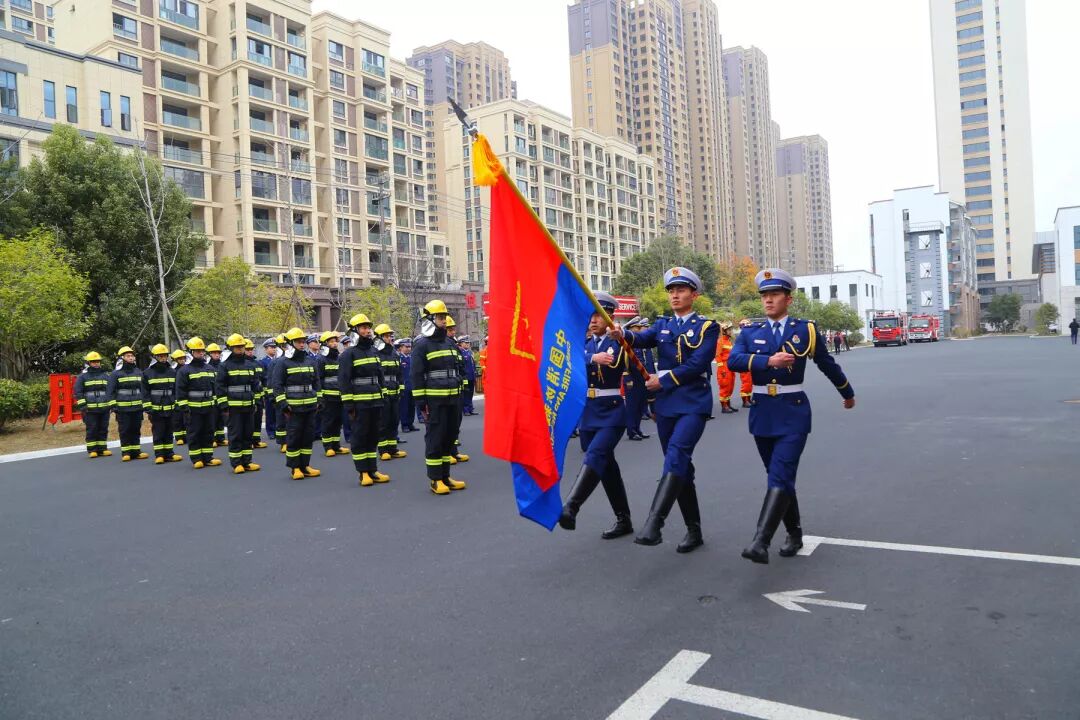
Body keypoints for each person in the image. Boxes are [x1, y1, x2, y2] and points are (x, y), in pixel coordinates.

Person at [729, 269, 856, 564]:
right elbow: (734, 361)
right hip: (762, 412)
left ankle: (760, 541)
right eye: (764, 295)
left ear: (788, 299)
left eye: (774, 295)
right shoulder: (750, 332)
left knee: (780, 472)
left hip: (793, 411)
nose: (768, 300)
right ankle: (794, 533)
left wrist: (846, 392)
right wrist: (768, 361)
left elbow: (826, 363)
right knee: (779, 476)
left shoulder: (805, 330)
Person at [610, 267, 719, 553]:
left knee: (677, 455)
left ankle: (654, 523)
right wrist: (621, 333)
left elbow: (698, 364)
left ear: (694, 295)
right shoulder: (663, 325)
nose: (674, 295)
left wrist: (664, 380)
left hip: (693, 401)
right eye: (671, 291)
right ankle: (694, 530)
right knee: (680, 466)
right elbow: (640, 338)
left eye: (681, 290)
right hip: (667, 404)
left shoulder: (707, 327)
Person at [558, 291, 634, 539]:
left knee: (596, 455)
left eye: (598, 315)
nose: (592, 320)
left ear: (609, 316)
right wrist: (591, 357)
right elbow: (568, 360)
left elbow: (613, 362)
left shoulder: (618, 342)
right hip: (589, 413)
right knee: (607, 468)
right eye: (590, 316)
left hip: (612, 411)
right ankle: (624, 519)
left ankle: (571, 506)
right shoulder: (587, 345)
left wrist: (591, 358)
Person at [412, 300, 467, 495]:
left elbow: (457, 369)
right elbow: (416, 376)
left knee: (449, 437)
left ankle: (445, 476)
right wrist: (421, 403)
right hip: (434, 402)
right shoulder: (421, 346)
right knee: (435, 439)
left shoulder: (449, 344)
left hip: (453, 399)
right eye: (440, 317)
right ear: (429, 320)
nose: (444, 321)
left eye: (444, 317)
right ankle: (435, 479)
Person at [338, 314, 388, 486]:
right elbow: (344, 381)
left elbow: (380, 376)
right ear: (355, 331)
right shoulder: (348, 354)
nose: (368, 331)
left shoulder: (373, 351)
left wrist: (383, 396)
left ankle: (372, 470)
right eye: (364, 328)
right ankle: (363, 472)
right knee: (360, 437)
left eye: (368, 328)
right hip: (360, 404)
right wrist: (349, 405)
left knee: (373, 436)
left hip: (375, 402)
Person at [271, 328, 321, 480]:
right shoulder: (282, 362)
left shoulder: (310, 361)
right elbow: (277, 385)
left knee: (307, 437)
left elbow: (316, 382)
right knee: (294, 437)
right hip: (293, 408)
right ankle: (295, 468)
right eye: (298, 342)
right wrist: (283, 405)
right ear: (291, 343)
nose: (301, 344)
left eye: (303, 341)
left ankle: (305, 465)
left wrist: (319, 400)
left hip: (310, 406)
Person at [217, 334, 261, 474]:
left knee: (247, 434)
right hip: (233, 407)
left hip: (248, 405)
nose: (240, 349)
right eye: (237, 347)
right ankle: (237, 463)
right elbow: (220, 387)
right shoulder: (224, 366)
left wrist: (256, 402)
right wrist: (224, 406)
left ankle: (247, 461)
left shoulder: (250, 365)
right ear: (231, 348)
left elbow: (255, 385)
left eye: (242, 346)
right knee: (235, 435)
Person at [175, 337, 221, 469]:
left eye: (202, 351)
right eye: (197, 351)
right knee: (194, 433)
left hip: (209, 408)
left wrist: (216, 404)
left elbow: (215, 389)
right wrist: (184, 408)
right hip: (192, 409)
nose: (201, 353)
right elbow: (180, 391)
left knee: (208, 432)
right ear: (191, 352)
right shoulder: (184, 371)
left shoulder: (210, 369)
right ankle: (196, 459)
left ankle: (208, 457)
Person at [143, 344, 182, 464]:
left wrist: (177, 403)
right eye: (160, 356)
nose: (163, 358)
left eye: (165, 356)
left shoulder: (172, 371)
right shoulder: (147, 373)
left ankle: (169, 454)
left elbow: (176, 389)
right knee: (158, 431)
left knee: (169, 431)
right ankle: (159, 454)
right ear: (155, 357)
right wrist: (148, 406)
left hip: (170, 407)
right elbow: (145, 392)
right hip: (156, 408)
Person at [108, 346, 148, 462]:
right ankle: (126, 452)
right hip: (123, 408)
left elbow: (144, 389)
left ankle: (136, 451)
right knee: (125, 430)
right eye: (128, 356)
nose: (131, 358)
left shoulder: (139, 372)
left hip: (137, 407)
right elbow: (110, 391)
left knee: (136, 429)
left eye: (132, 356)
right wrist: (113, 406)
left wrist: (144, 404)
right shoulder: (116, 374)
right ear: (122, 358)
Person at [374, 323, 407, 461]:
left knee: (394, 420)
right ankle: (383, 450)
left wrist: (401, 389)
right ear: (379, 338)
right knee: (383, 421)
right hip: (383, 392)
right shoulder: (375, 353)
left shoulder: (394, 353)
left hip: (394, 390)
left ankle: (393, 448)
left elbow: (399, 373)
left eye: (390, 336)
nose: (389, 338)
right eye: (386, 336)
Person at [315, 331, 349, 457]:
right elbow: (317, 380)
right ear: (325, 344)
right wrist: (320, 397)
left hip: (339, 396)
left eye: (335, 341)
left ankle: (336, 445)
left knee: (337, 422)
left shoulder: (339, 358)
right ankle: (328, 447)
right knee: (328, 422)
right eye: (331, 341)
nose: (334, 344)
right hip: (327, 397)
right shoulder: (321, 360)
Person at [74, 351, 113, 458]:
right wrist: (83, 406)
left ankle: (102, 449)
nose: (96, 363)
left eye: (98, 361)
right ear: (89, 363)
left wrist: (110, 405)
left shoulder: (105, 376)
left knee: (103, 428)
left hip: (104, 408)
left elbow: (110, 391)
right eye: (93, 361)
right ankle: (92, 450)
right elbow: (78, 392)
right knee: (92, 429)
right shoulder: (83, 377)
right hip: (90, 409)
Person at [444, 315, 470, 464]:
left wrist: (463, 383)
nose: (453, 332)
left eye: (454, 329)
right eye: (450, 330)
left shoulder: (454, 346)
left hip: (456, 389)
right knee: (445, 424)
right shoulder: (441, 345)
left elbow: (460, 367)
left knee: (455, 422)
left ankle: (454, 451)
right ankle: (446, 453)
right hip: (445, 391)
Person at [623, 318, 653, 440]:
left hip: (642, 379)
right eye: (637, 328)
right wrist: (628, 378)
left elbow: (646, 362)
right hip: (632, 379)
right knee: (632, 406)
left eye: (639, 328)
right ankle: (631, 430)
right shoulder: (627, 345)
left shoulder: (640, 343)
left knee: (641, 404)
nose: (639, 330)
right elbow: (626, 364)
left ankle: (637, 428)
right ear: (630, 329)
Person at [245, 339, 268, 449]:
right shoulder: (243, 364)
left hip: (259, 398)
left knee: (258, 420)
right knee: (248, 421)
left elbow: (264, 379)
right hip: (247, 398)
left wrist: (265, 394)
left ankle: (256, 440)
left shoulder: (258, 363)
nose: (250, 351)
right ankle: (248, 441)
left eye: (251, 349)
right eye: (248, 349)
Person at [714, 322, 740, 415]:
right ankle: (724, 406)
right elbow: (717, 355)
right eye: (729, 330)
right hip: (724, 367)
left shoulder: (728, 341)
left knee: (730, 386)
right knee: (725, 386)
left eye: (731, 329)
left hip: (730, 366)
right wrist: (722, 369)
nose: (731, 331)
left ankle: (728, 404)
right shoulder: (720, 341)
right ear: (724, 331)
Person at [206, 343, 226, 447]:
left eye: (218, 352)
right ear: (210, 354)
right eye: (214, 353)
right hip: (212, 398)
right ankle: (212, 439)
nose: (217, 354)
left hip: (221, 397)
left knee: (221, 419)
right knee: (212, 420)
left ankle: (221, 438)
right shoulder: (207, 367)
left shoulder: (223, 366)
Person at [397, 339, 419, 433]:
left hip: (412, 385)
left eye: (410, 346)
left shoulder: (412, 357)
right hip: (404, 386)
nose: (409, 348)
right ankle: (405, 424)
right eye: (406, 346)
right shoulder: (399, 358)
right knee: (404, 406)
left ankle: (410, 423)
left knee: (411, 406)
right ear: (401, 347)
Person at [170, 349, 189, 446]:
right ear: (175, 360)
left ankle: (186, 436)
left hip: (186, 398)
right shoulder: (173, 371)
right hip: (175, 399)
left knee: (186, 418)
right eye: (180, 359)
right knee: (177, 419)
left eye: (183, 358)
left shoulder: (187, 370)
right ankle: (179, 437)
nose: (182, 360)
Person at [459, 336, 478, 416]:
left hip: (471, 376)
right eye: (466, 343)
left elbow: (473, 365)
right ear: (461, 343)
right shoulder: (460, 352)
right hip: (465, 377)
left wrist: (475, 374)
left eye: (468, 343)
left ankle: (470, 409)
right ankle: (466, 410)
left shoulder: (470, 352)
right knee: (465, 394)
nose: (468, 344)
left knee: (470, 393)